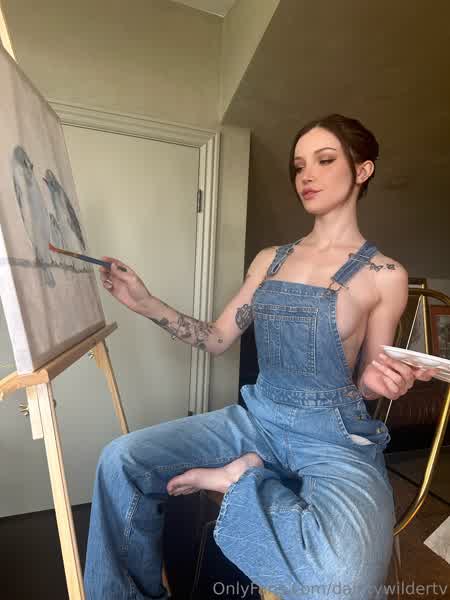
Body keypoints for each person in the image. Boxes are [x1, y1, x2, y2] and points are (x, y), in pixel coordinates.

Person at [83, 114, 438, 600]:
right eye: (299, 166)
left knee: (345, 584)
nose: (306, 176)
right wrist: (145, 302)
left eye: (324, 160)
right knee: (120, 461)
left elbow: (364, 384)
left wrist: (381, 383)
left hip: (332, 437)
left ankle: (242, 482)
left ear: (362, 170)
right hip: (258, 419)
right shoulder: (270, 260)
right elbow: (216, 338)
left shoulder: (385, 274)